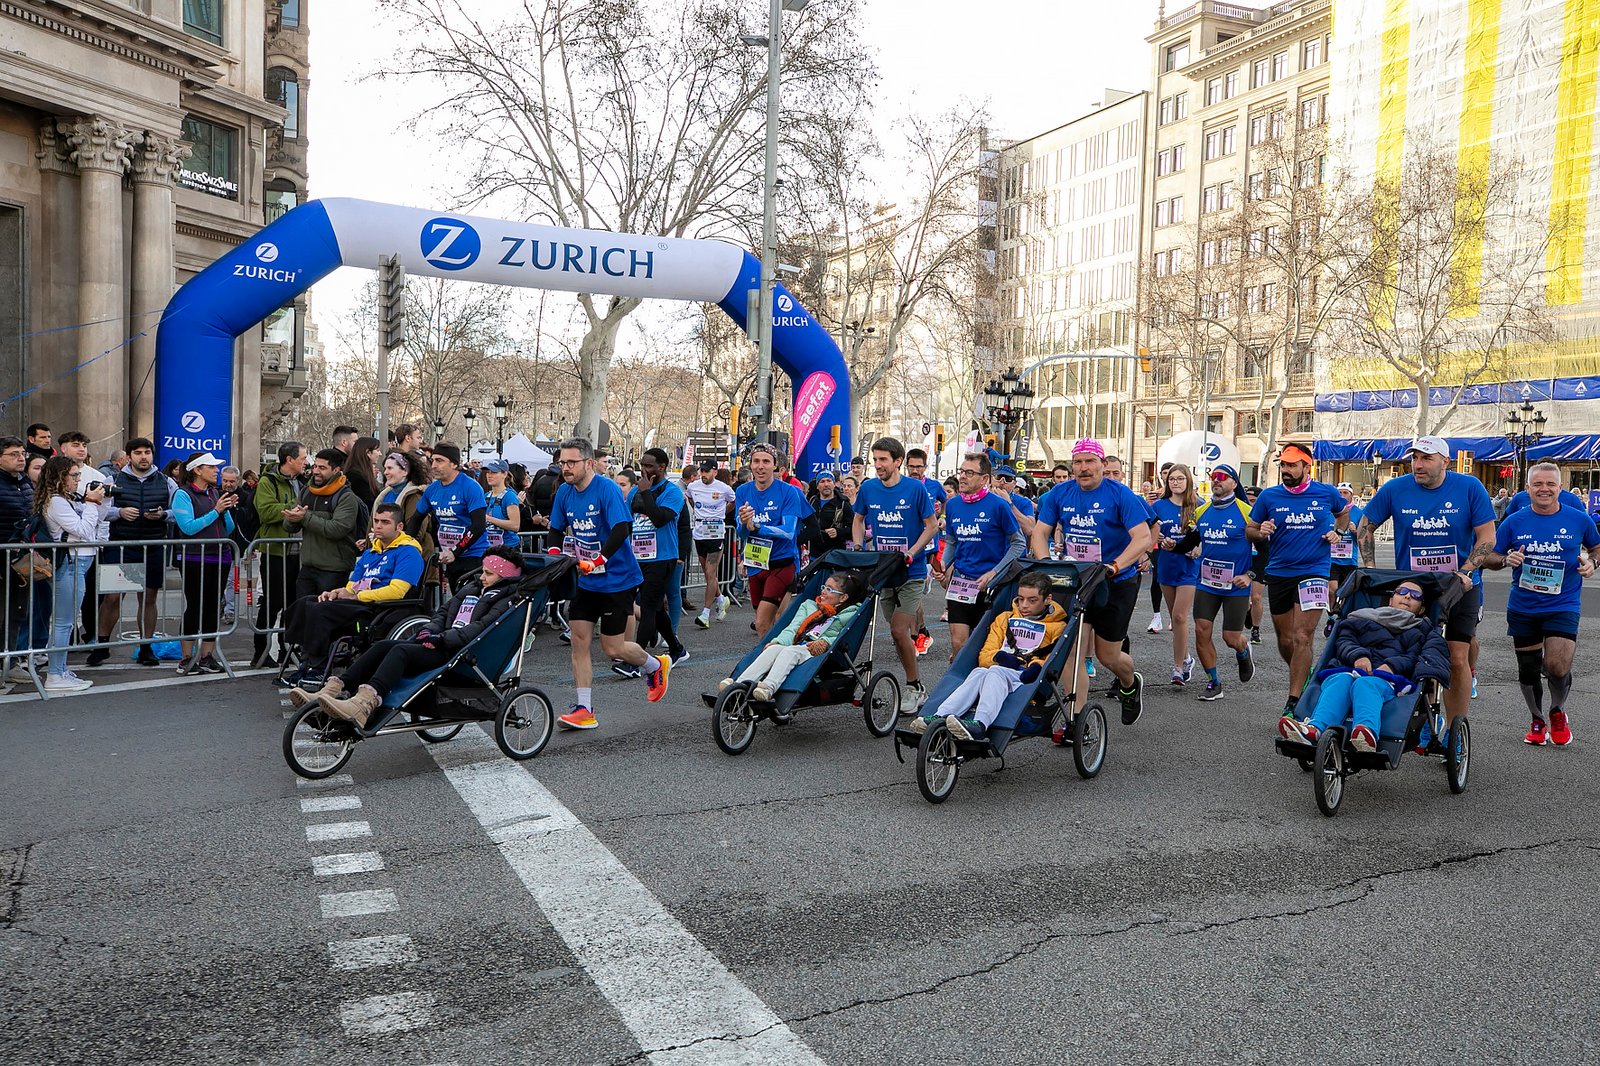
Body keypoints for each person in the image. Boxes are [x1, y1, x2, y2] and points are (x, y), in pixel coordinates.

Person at [1355, 436, 1494, 729]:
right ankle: (1411, 716)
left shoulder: (1469, 487)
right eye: (1415, 458)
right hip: (1414, 587)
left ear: (1445, 461)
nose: (1418, 464)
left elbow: (1486, 537)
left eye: (1426, 458)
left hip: (1460, 585)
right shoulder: (1395, 489)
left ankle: (1455, 728)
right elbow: (1366, 527)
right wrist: (1370, 569)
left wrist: (1466, 571)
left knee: (1457, 657)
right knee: (1410, 651)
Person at [311, 545, 528, 728]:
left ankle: (365, 702)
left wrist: (442, 638)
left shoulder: (506, 599)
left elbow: (481, 627)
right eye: (483, 571)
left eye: (488, 574)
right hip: (443, 640)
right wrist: (430, 630)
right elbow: (444, 612)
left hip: (459, 653)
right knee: (383, 646)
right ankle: (334, 689)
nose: (482, 577)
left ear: (504, 576)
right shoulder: (473, 588)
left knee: (400, 652)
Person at [541, 437, 668, 730]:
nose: (566, 468)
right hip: (587, 581)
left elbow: (622, 528)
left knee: (613, 648)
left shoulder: (607, 489)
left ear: (588, 463)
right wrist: (553, 556)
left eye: (571, 462)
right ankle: (584, 707)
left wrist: (599, 559)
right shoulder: (564, 492)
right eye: (562, 463)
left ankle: (654, 665)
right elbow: (556, 530)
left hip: (618, 579)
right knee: (579, 641)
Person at [1030, 439, 1152, 726]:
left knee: (1108, 655)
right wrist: (1046, 564)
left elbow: (1143, 537)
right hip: (1078, 580)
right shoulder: (1059, 493)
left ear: (1101, 464)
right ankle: (1076, 719)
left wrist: (1116, 565)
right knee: (1072, 648)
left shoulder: (1120, 495)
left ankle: (1129, 682)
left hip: (1116, 580)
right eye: (1078, 462)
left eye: (1090, 461)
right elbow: (1040, 533)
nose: (1084, 468)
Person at [1486, 462, 1600, 746]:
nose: (1544, 489)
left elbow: (1597, 547)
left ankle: (1558, 711)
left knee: (1557, 666)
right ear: (1527, 489)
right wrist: (1505, 560)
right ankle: (1537, 719)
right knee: (1527, 669)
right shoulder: (1514, 521)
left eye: (1550, 484)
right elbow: (1490, 557)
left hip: (1564, 602)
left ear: (1560, 488)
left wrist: (1593, 563)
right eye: (1538, 484)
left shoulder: (1579, 519)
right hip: (1524, 605)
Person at [1277, 579, 1450, 753]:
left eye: (1415, 595)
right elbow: (1344, 641)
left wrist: (1391, 665)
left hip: (1387, 679)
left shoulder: (1420, 631)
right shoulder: (1361, 618)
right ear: (1390, 599)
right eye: (1402, 591)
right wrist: (1358, 655)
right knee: (1341, 680)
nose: (1407, 596)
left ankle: (1366, 733)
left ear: (1421, 609)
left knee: (1365, 684)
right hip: (1349, 669)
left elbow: (1415, 656)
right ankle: (1314, 729)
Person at [1247, 444, 1350, 720]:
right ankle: (1301, 675)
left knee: (1303, 636)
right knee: (1285, 639)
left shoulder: (1326, 492)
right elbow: (1250, 530)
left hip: (1314, 570)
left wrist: (1338, 532)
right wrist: (1260, 532)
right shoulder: (1269, 496)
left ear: (1307, 466)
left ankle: (1294, 702)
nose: (1286, 470)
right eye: (1283, 465)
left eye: (1292, 465)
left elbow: (1344, 512)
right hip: (1279, 571)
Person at [283, 503, 427, 693]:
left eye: (385, 522)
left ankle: (317, 669)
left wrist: (357, 596)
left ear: (399, 527)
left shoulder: (408, 552)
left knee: (322, 610)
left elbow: (397, 591)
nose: (378, 526)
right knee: (308, 602)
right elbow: (352, 585)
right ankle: (306, 660)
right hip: (358, 602)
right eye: (376, 521)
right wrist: (335, 592)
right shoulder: (370, 552)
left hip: (381, 607)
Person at [908, 571, 1068, 742]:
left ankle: (980, 724)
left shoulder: (1057, 627)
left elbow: (1053, 659)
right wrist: (998, 656)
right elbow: (985, 655)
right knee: (979, 672)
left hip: (1027, 677)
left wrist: (1036, 665)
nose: (1024, 605)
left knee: (994, 673)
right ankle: (940, 716)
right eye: (1020, 599)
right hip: (999, 669)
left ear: (1048, 599)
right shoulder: (1004, 618)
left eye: (1032, 600)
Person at [853, 436, 939, 702]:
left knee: (898, 630)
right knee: (898, 634)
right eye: (875, 460)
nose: (877, 465)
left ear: (897, 461)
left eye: (882, 460)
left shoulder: (914, 489)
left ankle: (915, 688)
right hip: (883, 571)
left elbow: (932, 526)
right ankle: (914, 679)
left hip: (911, 572)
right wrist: (858, 547)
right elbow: (858, 519)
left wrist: (913, 552)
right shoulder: (868, 489)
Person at [1169, 465, 1256, 700]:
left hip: (1235, 585)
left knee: (1230, 637)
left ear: (1234, 483)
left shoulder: (1247, 512)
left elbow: (1266, 550)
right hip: (1207, 582)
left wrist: (1250, 575)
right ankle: (1213, 682)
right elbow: (1191, 541)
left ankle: (1242, 649)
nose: (1216, 481)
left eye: (1222, 477)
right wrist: (1174, 546)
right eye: (1213, 477)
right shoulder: (1202, 510)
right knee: (1201, 630)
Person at [718, 572, 866, 701]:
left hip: (819, 650)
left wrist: (825, 642)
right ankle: (740, 682)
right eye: (824, 587)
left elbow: (844, 636)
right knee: (773, 650)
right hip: (798, 642)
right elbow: (793, 628)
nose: (824, 592)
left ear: (843, 598)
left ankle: (769, 687)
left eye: (830, 590)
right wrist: (778, 641)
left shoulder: (850, 613)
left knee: (790, 652)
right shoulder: (809, 605)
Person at [940, 452, 1025, 659]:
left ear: (984, 478)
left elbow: (1018, 543)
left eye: (969, 472)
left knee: (984, 644)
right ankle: (960, 685)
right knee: (958, 642)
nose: (962, 477)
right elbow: (952, 541)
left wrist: (993, 573)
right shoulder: (952, 505)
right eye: (961, 471)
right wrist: (943, 563)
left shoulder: (998, 505)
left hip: (991, 586)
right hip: (960, 582)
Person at [95, 438, 171, 667]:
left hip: (153, 546)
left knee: (148, 598)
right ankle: (101, 645)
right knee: (112, 598)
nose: (143, 456)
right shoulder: (112, 479)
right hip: (121, 546)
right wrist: (119, 512)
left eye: (147, 452)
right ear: (129, 456)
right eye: (138, 452)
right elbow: (97, 510)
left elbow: (178, 511)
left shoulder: (166, 482)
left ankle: (146, 648)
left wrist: (163, 515)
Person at [36, 456, 109, 692]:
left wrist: (100, 501)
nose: (79, 480)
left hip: (78, 562)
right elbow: (84, 530)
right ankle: (55, 675)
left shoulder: (66, 499)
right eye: (74, 475)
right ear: (60, 477)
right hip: (70, 564)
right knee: (63, 622)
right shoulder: (56, 502)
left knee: (65, 622)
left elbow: (96, 521)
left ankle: (60, 670)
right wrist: (90, 502)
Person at [735, 443, 814, 639]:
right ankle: (779, 657)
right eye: (756, 461)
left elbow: (788, 532)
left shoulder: (789, 492)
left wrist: (757, 526)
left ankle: (764, 666)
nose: (760, 466)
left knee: (761, 622)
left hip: (782, 562)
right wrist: (744, 524)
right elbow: (742, 534)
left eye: (766, 462)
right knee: (767, 624)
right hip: (756, 563)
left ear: (775, 465)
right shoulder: (743, 492)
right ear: (750, 465)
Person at [170, 451, 237, 675]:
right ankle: (186, 658)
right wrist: (216, 510)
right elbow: (187, 527)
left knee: (212, 607)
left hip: (220, 555)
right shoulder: (183, 494)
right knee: (195, 606)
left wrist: (225, 509)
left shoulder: (214, 492)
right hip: (194, 557)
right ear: (197, 470)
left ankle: (207, 656)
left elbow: (229, 529)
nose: (216, 470)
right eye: (211, 467)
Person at [625, 448, 689, 670]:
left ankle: (635, 661)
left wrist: (646, 493)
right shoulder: (635, 492)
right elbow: (627, 522)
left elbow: (660, 518)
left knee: (649, 606)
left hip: (663, 557)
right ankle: (676, 649)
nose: (644, 469)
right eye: (642, 464)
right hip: (637, 557)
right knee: (656, 608)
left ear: (661, 467)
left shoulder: (673, 493)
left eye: (649, 466)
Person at [251, 442, 307, 669]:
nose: (306, 462)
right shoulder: (268, 481)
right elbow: (265, 510)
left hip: (299, 552)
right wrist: (293, 510)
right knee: (272, 602)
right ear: (289, 459)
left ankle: (288, 649)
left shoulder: (303, 481)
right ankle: (261, 651)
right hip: (275, 550)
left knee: (294, 604)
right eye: (303, 458)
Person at [284, 448, 364, 600]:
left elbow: (337, 529)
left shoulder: (346, 497)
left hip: (334, 570)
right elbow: (290, 527)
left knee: (326, 617)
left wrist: (305, 517)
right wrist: (291, 519)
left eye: (322, 468)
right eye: (315, 466)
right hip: (308, 568)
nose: (316, 471)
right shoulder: (306, 491)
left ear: (336, 470)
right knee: (303, 611)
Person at [1151, 464, 1199, 686]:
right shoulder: (1159, 506)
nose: (1176, 483)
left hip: (1189, 568)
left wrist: (1199, 548)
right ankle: (1187, 658)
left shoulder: (1198, 506)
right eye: (1172, 479)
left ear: (1188, 480)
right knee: (1175, 618)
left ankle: (1178, 668)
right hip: (1166, 567)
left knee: (1180, 616)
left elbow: (1208, 537)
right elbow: (1150, 534)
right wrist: (1159, 540)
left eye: (1180, 479)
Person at [416, 443, 487, 589]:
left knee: (469, 605)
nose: (434, 465)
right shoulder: (432, 489)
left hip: (473, 556)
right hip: (450, 556)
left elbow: (478, 525)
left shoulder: (470, 487)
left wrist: (456, 550)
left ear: (454, 464)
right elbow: (416, 519)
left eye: (440, 461)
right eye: (433, 460)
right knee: (455, 604)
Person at [906, 447, 947, 654]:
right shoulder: (902, 486)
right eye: (911, 466)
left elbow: (947, 500)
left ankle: (917, 636)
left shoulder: (933, 486)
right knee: (906, 596)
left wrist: (943, 518)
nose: (915, 470)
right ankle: (920, 632)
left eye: (918, 467)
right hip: (907, 546)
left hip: (928, 545)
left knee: (914, 595)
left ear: (925, 466)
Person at [686, 459, 734, 627]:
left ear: (715, 471)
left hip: (716, 533)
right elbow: (690, 498)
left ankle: (705, 614)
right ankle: (721, 599)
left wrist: (721, 513)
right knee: (708, 575)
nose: (703, 475)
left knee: (710, 571)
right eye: (702, 471)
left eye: (707, 471)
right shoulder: (693, 486)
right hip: (700, 533)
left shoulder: (724, 488)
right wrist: (700, 513)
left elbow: (733, 501)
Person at [1328, 483, 1363, 614]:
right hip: (1332, 559)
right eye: (1340, 493)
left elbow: (1365, 536)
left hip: (1349, 560)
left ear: (1351, 495)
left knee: (1346, 593)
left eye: (1345, 493)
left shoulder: (1359, 513)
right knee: (1332, 589)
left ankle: (1340, 616)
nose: (1342, 495)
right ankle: (1331, 616)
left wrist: (1356, 531)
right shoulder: (1331, 511)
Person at [809, 471, 853, 560]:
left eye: (829, 481)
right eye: (822, 481)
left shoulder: (843, 503)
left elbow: (854, 529)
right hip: (814, 556)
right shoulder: (813, 501)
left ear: (834, 484)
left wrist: (838, 532)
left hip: (836, 556)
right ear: (817, 486)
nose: (826, 484)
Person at [480, 459, 522, 548]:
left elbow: (515, 525)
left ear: (504, 474)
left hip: (508, 547)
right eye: (488, 472)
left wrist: (489, 519)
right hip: (489, 546)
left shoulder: (509, 496)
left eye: (494, 472)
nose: (489, 475)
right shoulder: (486, 495)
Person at [345, 436, 383, 510]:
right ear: (368, 453)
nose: (380, 454)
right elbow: (370, 504)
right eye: (377, 450)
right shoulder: (356, 477)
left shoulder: (360, 473)